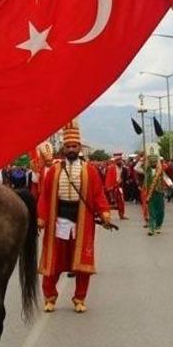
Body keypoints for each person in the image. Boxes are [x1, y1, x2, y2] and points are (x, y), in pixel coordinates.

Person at [36, 121, 112, 313]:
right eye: (68, 146)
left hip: (82, 221)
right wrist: (42, 217)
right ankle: (50, 297)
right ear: (64, 148)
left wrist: (104, 212)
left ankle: (79, 298)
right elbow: (45, 196)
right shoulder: (54, 171)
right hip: (58, 221)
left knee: (82, 262)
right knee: (53, 261)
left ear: (79, 148)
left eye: (74, 146)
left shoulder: (90, 170)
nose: (71, 149)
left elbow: (98, 194)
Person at [144, 145, 170, 235]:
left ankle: (158, 226)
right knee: (151, 211)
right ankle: (152, 228)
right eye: (151, 161)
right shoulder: (146, 171)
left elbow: (166, 179)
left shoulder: (160, 171)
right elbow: (137, 168)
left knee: (160, 211)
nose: (153, 163)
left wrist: (170, 185)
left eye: (154, 161)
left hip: (159, 193)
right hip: (150, 194)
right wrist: (145, 158)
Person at [105, 152, 128, 220]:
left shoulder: (123, 168)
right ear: (115, 161)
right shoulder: (111, 168)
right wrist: (109, 188)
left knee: (121, 202)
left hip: (120, 187)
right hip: (112, 187)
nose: (119, 161)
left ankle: (121, 215)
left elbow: (124, 177)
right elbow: (108, 178)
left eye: (120, 160)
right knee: (110, 203)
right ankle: (106, 216)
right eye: (118, 160)